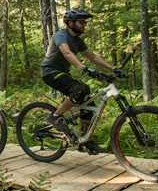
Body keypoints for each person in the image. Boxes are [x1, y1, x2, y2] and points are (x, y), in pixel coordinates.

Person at [39, 9, 124, 154]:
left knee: (88, 103)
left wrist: (113, 68)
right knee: (81, 89)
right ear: (70, 23)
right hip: (50, 72)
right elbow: (66, 52)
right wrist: (83, 68)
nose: (84, 25)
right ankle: (54, 117)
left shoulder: (78, 41)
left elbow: (93, 57)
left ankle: (85, 141)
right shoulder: (61, 35)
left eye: (85, 22)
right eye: (81, 22)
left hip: (62, 73)